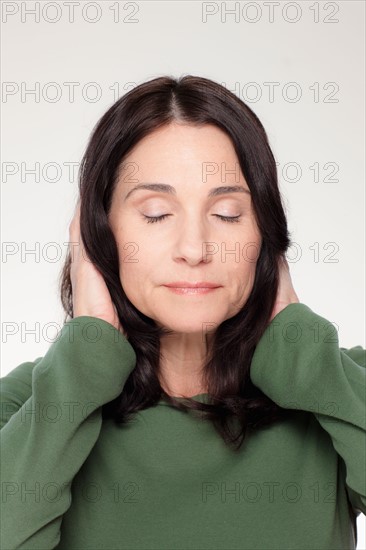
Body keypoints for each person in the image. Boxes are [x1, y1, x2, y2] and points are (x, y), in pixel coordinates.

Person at [1, 75, 365, 550]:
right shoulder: (30, 407)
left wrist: (307, 360)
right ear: (98, 234)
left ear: (265, 234)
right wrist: (85, 359)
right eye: (155, 213)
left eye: (228, 214)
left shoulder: (335, 387)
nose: (194, 248)